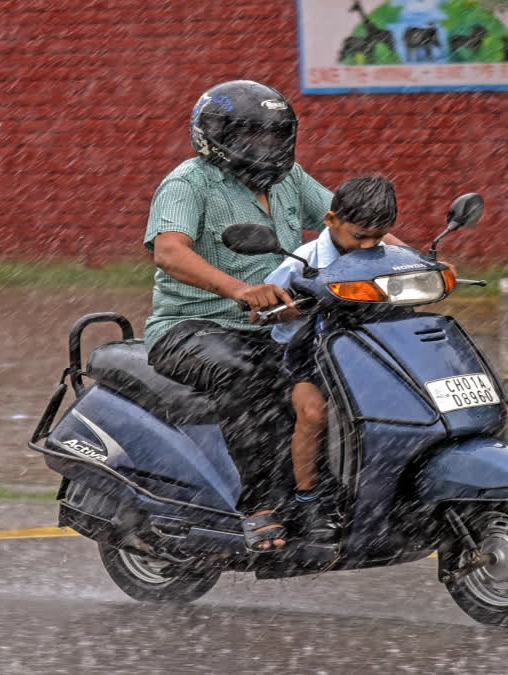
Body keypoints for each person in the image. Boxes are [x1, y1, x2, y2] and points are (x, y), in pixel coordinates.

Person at [143, 80, 404, 551]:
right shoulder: (188, 183)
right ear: (214, 135)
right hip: (194, 326)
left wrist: (411, 264)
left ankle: (333, 494)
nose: (266, 147)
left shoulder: (288, 179)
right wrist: (240, 290)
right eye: (251, 135)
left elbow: (347, 221)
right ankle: (260, 505)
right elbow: (169, 252)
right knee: (250, 375)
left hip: (279, 324)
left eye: (275, 135)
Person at [263, 176, 399, 539]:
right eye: (359, 237)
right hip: (306, 354)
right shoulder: (303, 261)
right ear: (330, 220)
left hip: (365, 351)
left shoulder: (387, 256)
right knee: (313, 413)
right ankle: (307, 500)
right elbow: (259, 312)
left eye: (378, 237)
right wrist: (287, 308)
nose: (367, 247)